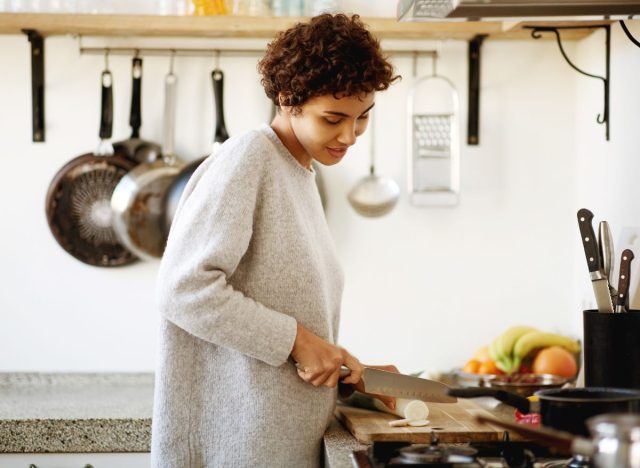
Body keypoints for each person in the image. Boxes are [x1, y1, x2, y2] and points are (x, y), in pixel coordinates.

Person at [151, 13, 401, 468]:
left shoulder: (297, 172)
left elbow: (279, 309)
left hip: (274, 440)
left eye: (362, 118)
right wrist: (300, 341)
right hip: (238, 448)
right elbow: (183, 289)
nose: (349, 136)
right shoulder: (248, 160)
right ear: (289, 100)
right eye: (333, 119)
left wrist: (340, 363)